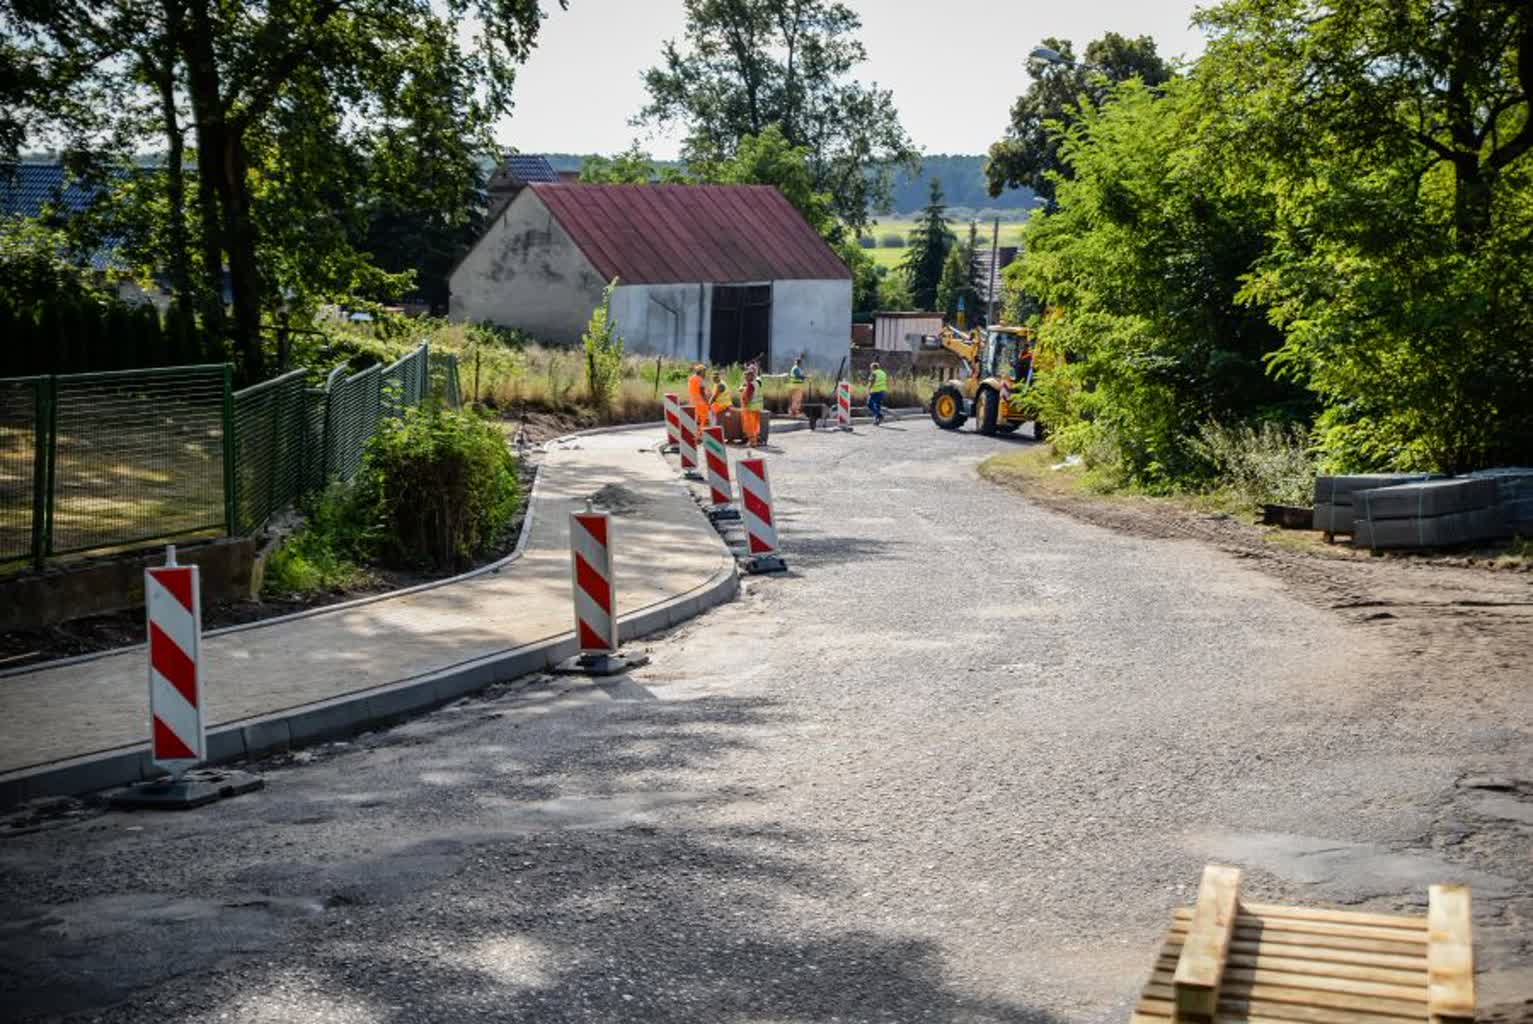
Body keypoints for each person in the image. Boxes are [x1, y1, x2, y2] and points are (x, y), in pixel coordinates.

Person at [741, 367, 765, 446]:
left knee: (749, 425)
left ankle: (752, 441)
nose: (745, 378)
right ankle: (756, 440)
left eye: (747, 376)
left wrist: (745, 405)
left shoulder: (751, 385)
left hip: (750, 408)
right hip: (757, 407)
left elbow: (748, 397)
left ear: (751, 376)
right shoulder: (757, 383)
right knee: (755, 424)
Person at [686, 363, 709, 430]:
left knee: (696, 420)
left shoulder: (691, 378)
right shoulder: (700, 379)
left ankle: (697, 434)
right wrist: (707, 402)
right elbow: (702, 392)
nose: (705, 374)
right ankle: (702, 434)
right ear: (701, 372)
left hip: (693, 402)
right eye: (704, 372)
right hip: (701, 403)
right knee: (704, 419)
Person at [867, 361, 889, 425]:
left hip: (875, 392)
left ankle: (880, 415)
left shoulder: (874, 373)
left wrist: (868, 389)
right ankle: (877, 421)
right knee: (878, 406)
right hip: (883, 392)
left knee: (869, 404)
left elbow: (872, 382)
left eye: (871, 368)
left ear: (873, 367)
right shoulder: (883, 373)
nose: (870, 369)